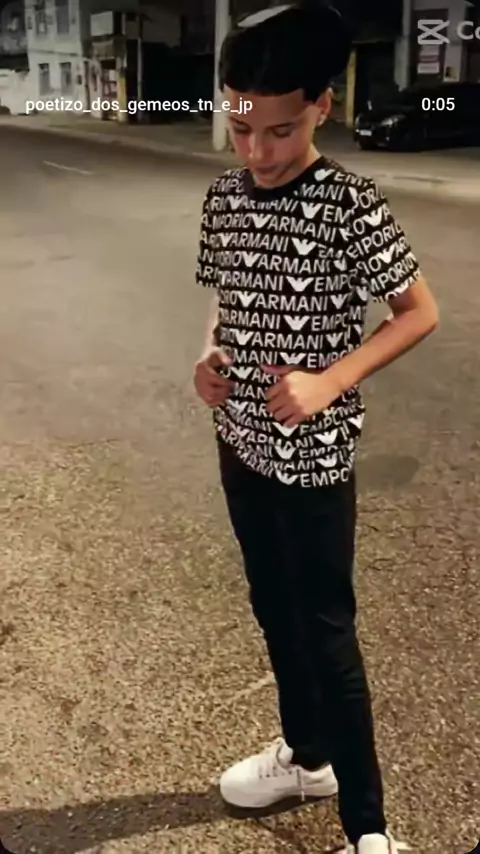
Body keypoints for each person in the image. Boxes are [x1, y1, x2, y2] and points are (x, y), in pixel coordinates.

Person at [193, 3, 439, 852]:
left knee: (327, 632)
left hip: (315, 456)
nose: (257, 152)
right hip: (241, 442)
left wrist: (332, 380)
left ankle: (370, 830)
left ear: (322, 108)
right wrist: (208, 360)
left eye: (280, 131)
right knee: (272, 608)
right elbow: (228, 303)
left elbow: (420, 313)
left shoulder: (349, 202)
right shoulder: (223, 199)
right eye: (241, 128)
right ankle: (306, 757)